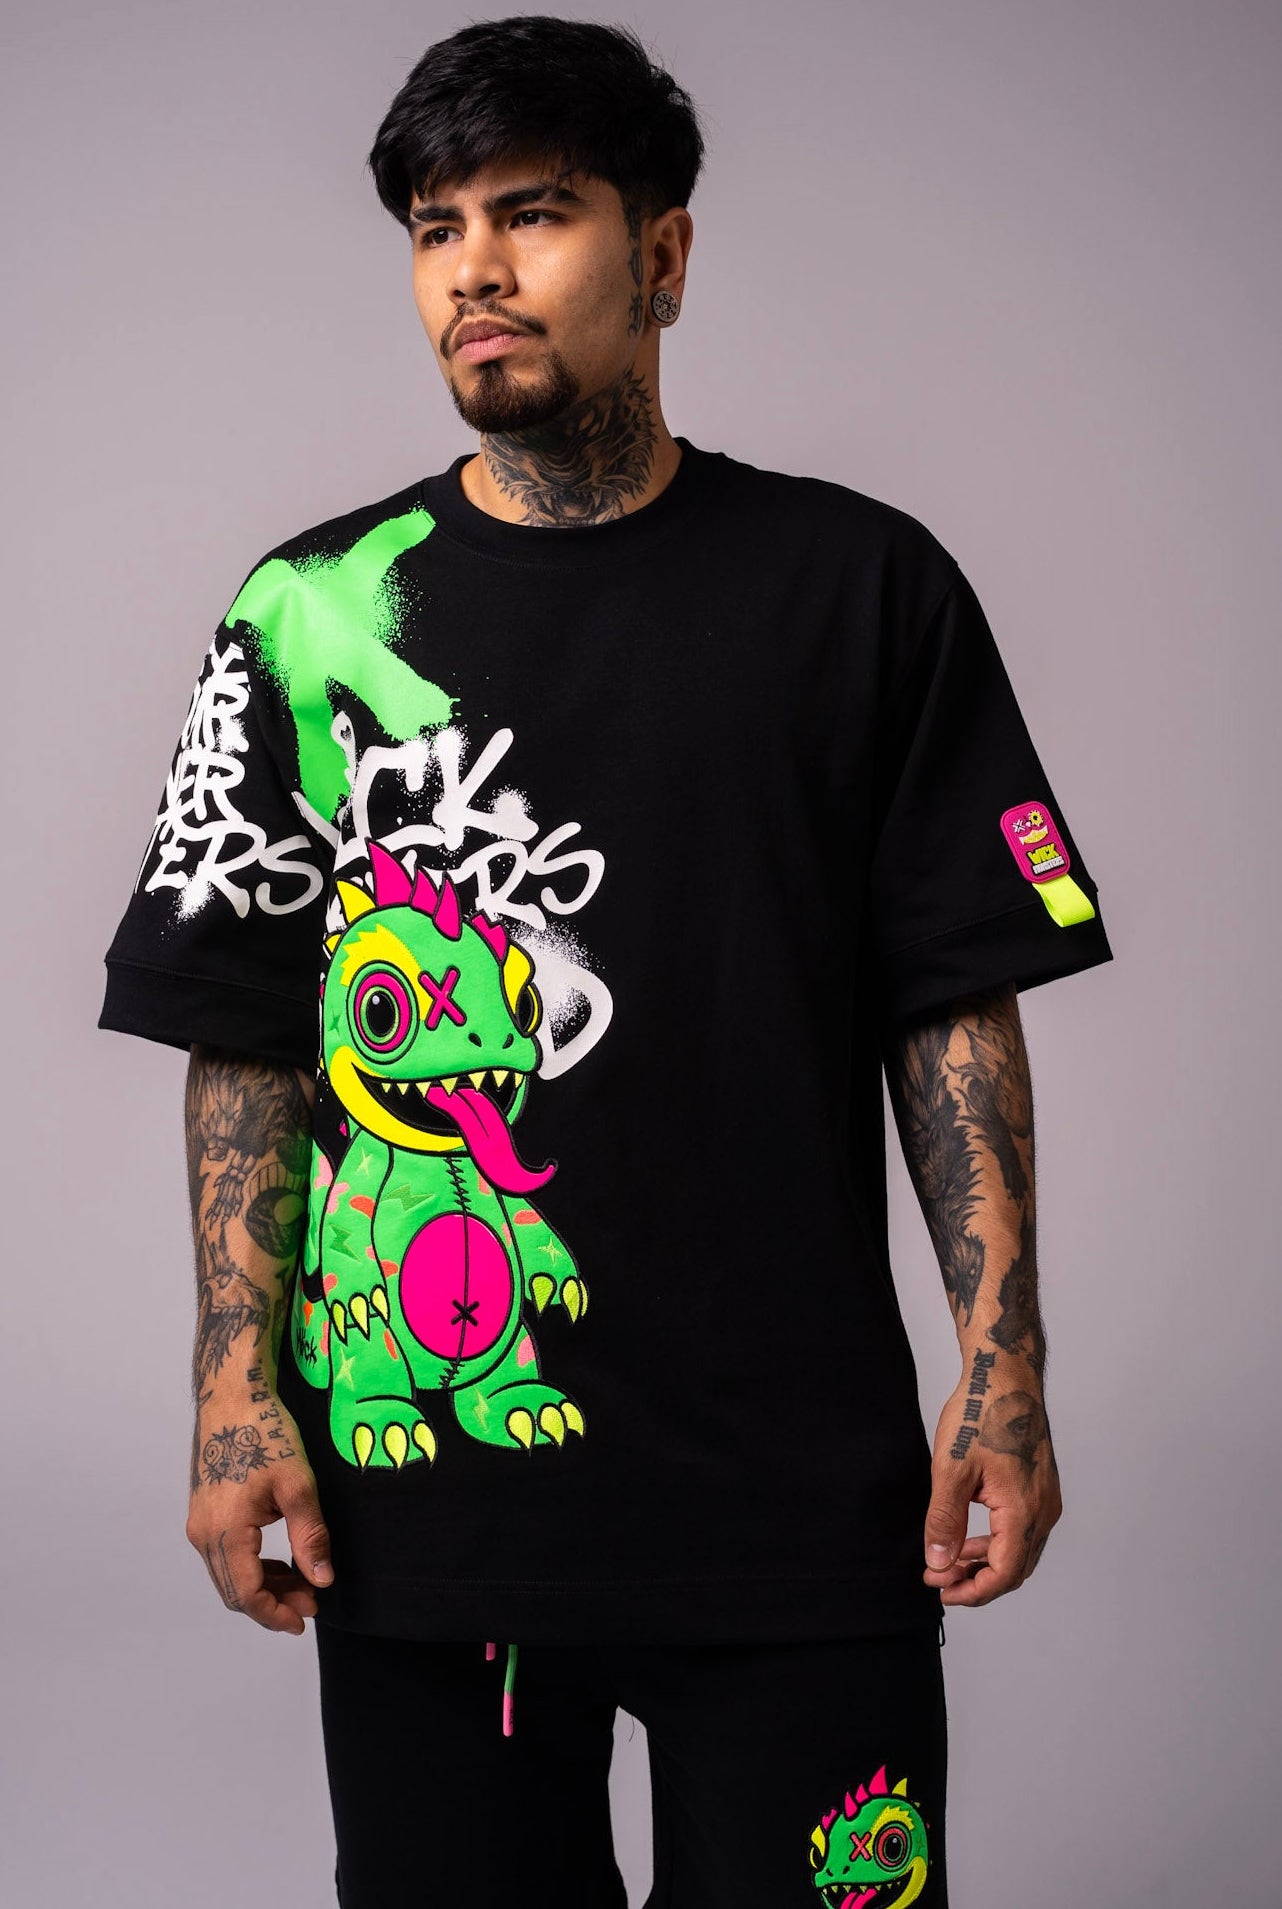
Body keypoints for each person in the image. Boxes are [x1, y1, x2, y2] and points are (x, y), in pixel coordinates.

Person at [97, 16, 1113, 1906]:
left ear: (662, 255)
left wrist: (1004, 1365)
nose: (472, 270)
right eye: (435, 228)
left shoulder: (859, 585)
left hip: (794, 1506)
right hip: (428, 1518)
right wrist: (235, 1392)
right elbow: (243, 1030)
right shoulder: (308, 617)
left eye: (533, 213)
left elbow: (949, 1003)